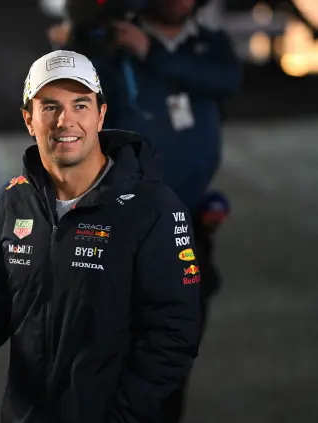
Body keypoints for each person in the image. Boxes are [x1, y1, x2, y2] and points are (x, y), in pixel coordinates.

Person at [0, 49, 201, 423]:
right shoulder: (12, 202)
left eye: (80, 105)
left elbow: (173, 334)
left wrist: (121, 415)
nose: (65, 121)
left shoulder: (153, 208)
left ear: (101, 114)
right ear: (29, 119)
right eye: (50, 107)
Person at [48, 1, 241, 420]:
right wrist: (82, 48)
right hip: (124, 221)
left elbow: (226, 79)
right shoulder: (115, 43)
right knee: (111, 339)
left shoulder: (210, 45)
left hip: (187, 219)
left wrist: (152, 53)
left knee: (174, 341)